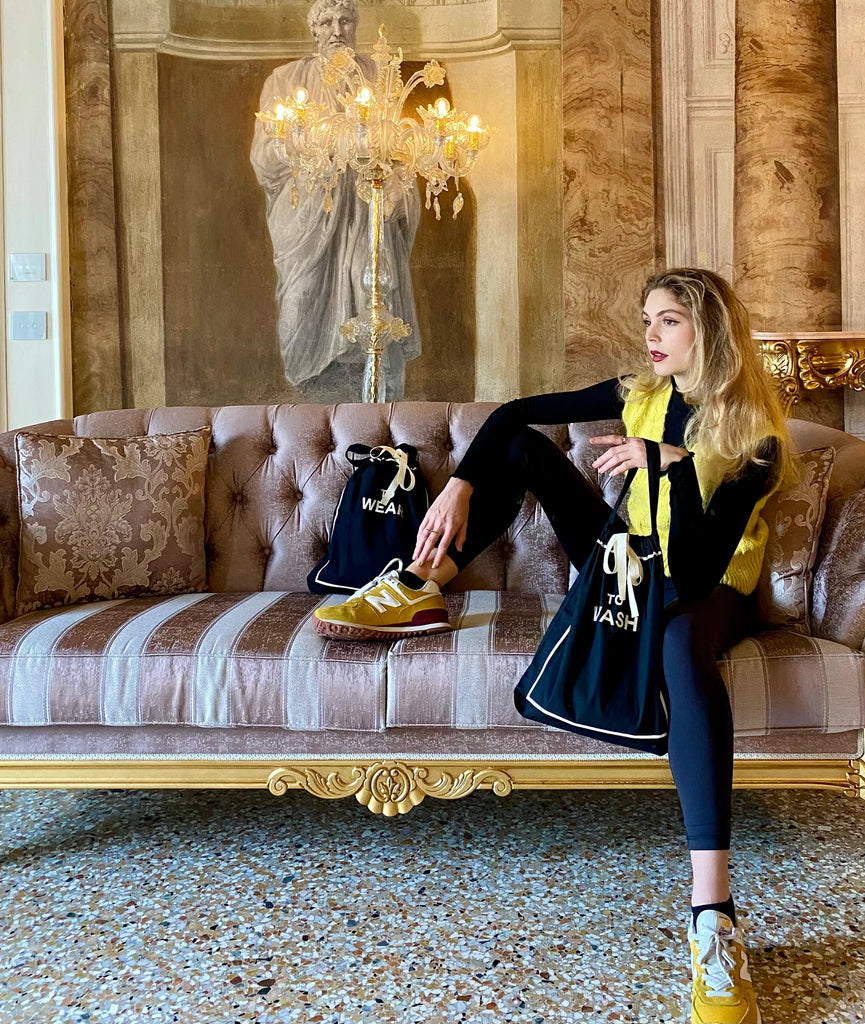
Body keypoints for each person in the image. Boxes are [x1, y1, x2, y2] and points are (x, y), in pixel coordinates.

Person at [315, 267, 792, 1023]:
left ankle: (713, 918)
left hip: (705, 590)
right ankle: (420, 583)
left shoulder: (754, 437)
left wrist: (671, 466)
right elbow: (514, 414)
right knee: (520, 448)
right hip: (626, 564)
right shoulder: (640, 393)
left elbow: (699, 568)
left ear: (710, 330)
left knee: (678, 641)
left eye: (668, 320)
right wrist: (461, 484)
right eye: (647, 319)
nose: (650, 335)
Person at [250, 0, 421, 401]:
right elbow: (264, 158)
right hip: (308, 218)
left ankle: (372, 400)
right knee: (299, 302)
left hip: (366, 209)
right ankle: (314, 405)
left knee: (371, 288)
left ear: (355, 26)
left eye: (345, 20)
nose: (337, 30)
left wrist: (399, 190)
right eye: (326, 21)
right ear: (314, 29)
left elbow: (405, 151)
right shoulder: (284, 80)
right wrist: (302, 143)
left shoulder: (378, 76)